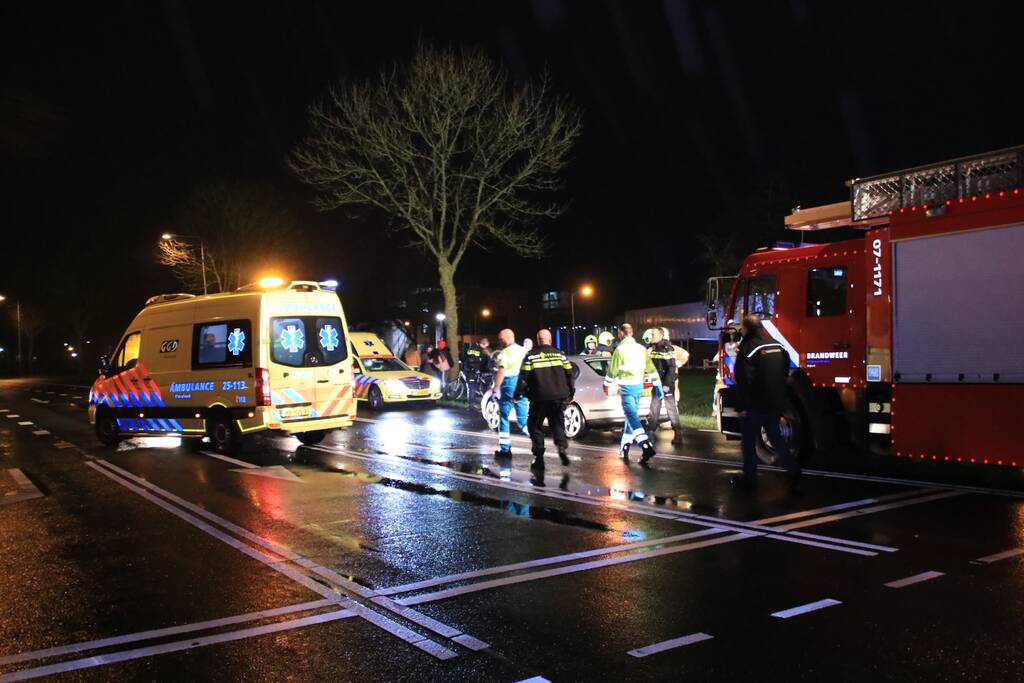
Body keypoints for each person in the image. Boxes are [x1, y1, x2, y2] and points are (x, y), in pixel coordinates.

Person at [732, 315, 801, 490]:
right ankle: (793, 470)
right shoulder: (776, 344)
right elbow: (786, 371)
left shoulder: (748, 347)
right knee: (775, 437)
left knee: (748, 442)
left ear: (745, 329)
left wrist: (741, 406)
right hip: (775, 402)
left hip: (755, 404)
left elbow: (743, 380)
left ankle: (750, 478)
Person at [514, 329, 575, 469]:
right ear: (550, 339)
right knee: (557, 424)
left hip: (539, 398)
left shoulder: (530, 356)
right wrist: (571, 392)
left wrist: (517, 395)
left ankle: (539, 457)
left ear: (537, 340)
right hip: (558, 397)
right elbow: (569, 374)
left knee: (534, 427)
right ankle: (561, 448)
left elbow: (523, 378)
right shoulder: (560, 355)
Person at [603, 323, 658, 464]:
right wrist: (657, 384)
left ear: (621, 333)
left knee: (632, 417)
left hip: (627, 388)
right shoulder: (641, 349)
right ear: (632, 333)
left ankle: (645, 446)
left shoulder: (619, 350)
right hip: (639, 387)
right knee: (630, 416)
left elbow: (612, 371)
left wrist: (606, 384)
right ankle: (625, 447)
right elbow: (650, 368)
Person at [492, 328, 530, 456]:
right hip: (522, 386)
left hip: (509, 386)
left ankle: (505, 449)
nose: (500, 341)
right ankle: (537, 442)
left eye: (501, 339)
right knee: (523, 420)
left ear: (507, 337)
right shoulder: (524, 350)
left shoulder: (505, 353)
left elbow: (501, 371)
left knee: (503, 417)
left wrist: (496, 388)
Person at [647, 327, 684, 446]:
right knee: (654, 410)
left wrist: (667, 384)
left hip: (666, 385)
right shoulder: (654, 348)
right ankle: (650, 433)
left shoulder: (667, 348)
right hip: (657, 384)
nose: (651, 336)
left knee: (671, 410)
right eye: (651, 334)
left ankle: (678, 434)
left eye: (654, 334)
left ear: (661, 335)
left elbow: (672, 368)